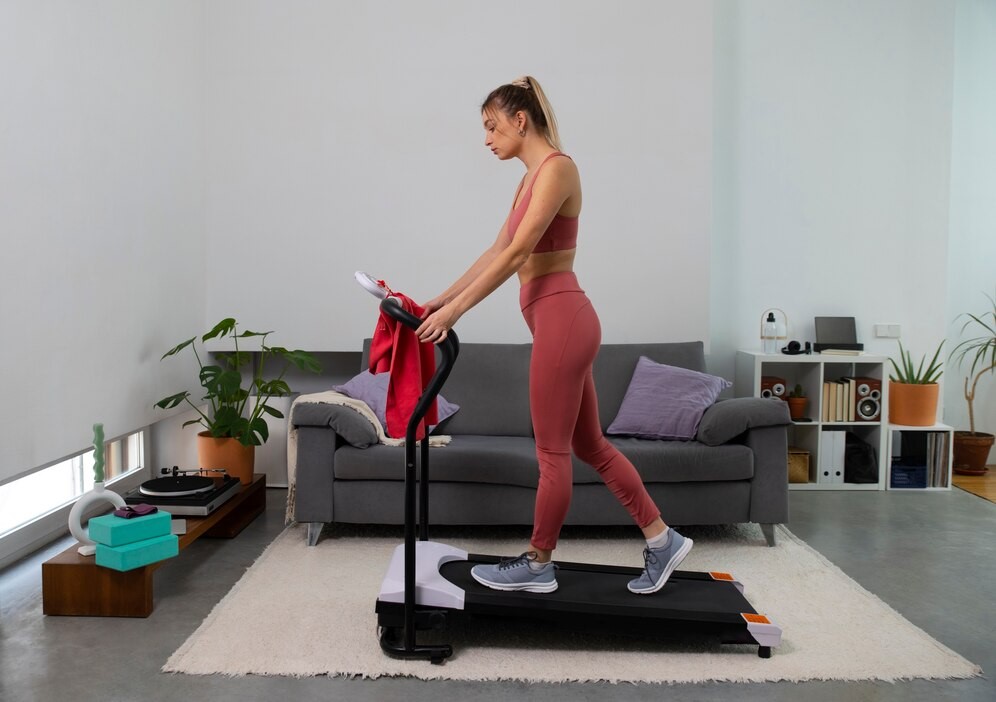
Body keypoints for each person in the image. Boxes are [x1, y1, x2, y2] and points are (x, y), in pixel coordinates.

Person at [415, 76, 692, 595]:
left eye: (492, 127)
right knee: (590, 444)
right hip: (557, 320)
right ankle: (662, 540)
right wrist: (440, 299)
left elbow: (520, 257)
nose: (487, 139)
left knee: (552, 454)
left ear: (521, 120)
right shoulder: (527, 180)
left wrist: (456, 313)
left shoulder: (558, 169)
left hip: (563, 320)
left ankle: (538, 563)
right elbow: (498, 251)